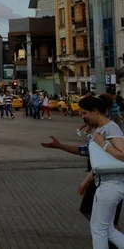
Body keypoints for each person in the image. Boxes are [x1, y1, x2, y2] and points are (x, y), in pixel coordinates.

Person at [44, 95, 124, 248]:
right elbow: (90, 154)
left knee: (98, 229)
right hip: (106, 183)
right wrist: (60, 146)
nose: (82, 117)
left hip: (111, 184)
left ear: (95, 111)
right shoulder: (100, 130)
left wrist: (103, 144)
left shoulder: (110, 128)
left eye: (84, 113)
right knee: (107, 229)